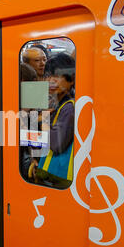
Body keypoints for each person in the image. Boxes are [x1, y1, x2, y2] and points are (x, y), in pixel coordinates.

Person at [31, 53, 75, 187]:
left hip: (59, 178)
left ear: (71, 79)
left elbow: (56, 145)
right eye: (48, 76)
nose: (51, 81)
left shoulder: (69, 108)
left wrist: (43, 119)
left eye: (57, 76)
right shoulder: (57, 103)